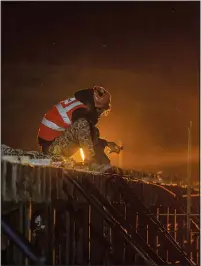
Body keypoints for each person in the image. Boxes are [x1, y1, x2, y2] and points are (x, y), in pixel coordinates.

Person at [37, 86, 122, 171]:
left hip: (57, 143)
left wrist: (106, 143)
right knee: (83, 124)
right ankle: (91, 163)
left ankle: (100, 164)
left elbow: (87, 136)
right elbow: (83, 132)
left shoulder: (81, 105)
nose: (101, 114)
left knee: (92, 130)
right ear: (97, 106)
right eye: (102, 111)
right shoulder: (81, 110)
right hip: (51, 148)